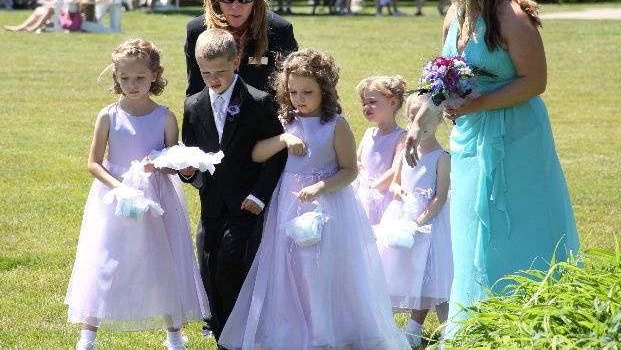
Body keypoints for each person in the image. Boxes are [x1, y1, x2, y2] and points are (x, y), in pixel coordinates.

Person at [404, 0, 580, 337]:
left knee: (516, 225)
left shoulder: (509, 15)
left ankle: (532, 321)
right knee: (472, 228)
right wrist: (418, 124)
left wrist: (477, 104)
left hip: (517, 135)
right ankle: (479, 325)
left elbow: (535, 81)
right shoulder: (455, 15)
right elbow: (442, 78)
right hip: (469, 137)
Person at [219, 49, 410, 350]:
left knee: (320, 269)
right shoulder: (285, 120)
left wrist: (321, 187)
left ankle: (326, 332)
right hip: (289, 204)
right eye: (293, 92)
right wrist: (283, 139)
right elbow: (257, 153)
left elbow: (349, 171)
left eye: (308, 92)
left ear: (325, 89)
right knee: (291, 268)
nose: (300, 98)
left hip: (327, 206)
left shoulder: (336, 124)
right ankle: (294, 326)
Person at [65, 39, 209, 350]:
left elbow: (171, 161)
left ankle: (174, 335)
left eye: (140, 78)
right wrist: (120, 188)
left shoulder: (166, 117)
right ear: (116, 78)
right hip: (114, 199)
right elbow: (93, 162)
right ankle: (88, 335)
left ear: (155, 76)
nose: (132, 85)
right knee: (105, 259)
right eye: (125, 78)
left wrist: (173, 165)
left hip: (157, 198)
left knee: (163, 258)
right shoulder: (108, 116)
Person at [180, 28, 287, 341]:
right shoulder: (193, 105)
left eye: (220, 72)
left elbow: (276, 156)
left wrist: (260, 195)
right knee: (208, 268)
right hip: (211, 204)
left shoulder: (258, 101)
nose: (213, 79)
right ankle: (219, 331)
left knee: (232, 266)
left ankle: (236, 336)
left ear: (237, 61)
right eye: (205, 72)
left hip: (245, 203)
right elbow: (191, 154)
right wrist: (187, 173)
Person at [379, 93, 453, 347]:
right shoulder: (404, 149)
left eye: (427, 119)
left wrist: (419, 222)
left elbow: (440, 197)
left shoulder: (442, 158)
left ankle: (447, 331)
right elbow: (395, 182)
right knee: (403, 270)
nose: (420, 125)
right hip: (402, 219)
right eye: (412, 119)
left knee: (432, 275)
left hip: (428, 225)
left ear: (439, 120)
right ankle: (405, 328)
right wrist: (398, 191)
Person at [185, 0, 298, 97]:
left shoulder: (279, 30)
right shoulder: (197, 31)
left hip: (265, 115)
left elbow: (291, 90)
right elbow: (195, 93)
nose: (235, 6)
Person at [355, 75, 407, 225]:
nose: (366, 107)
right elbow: (357, 161)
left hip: (384, 197)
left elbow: (395, 170)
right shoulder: (368, 134)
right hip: (362, 191)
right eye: (364, 103)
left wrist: (373, 188)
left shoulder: (401, 136)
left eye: (372, 102)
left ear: (392, 102)